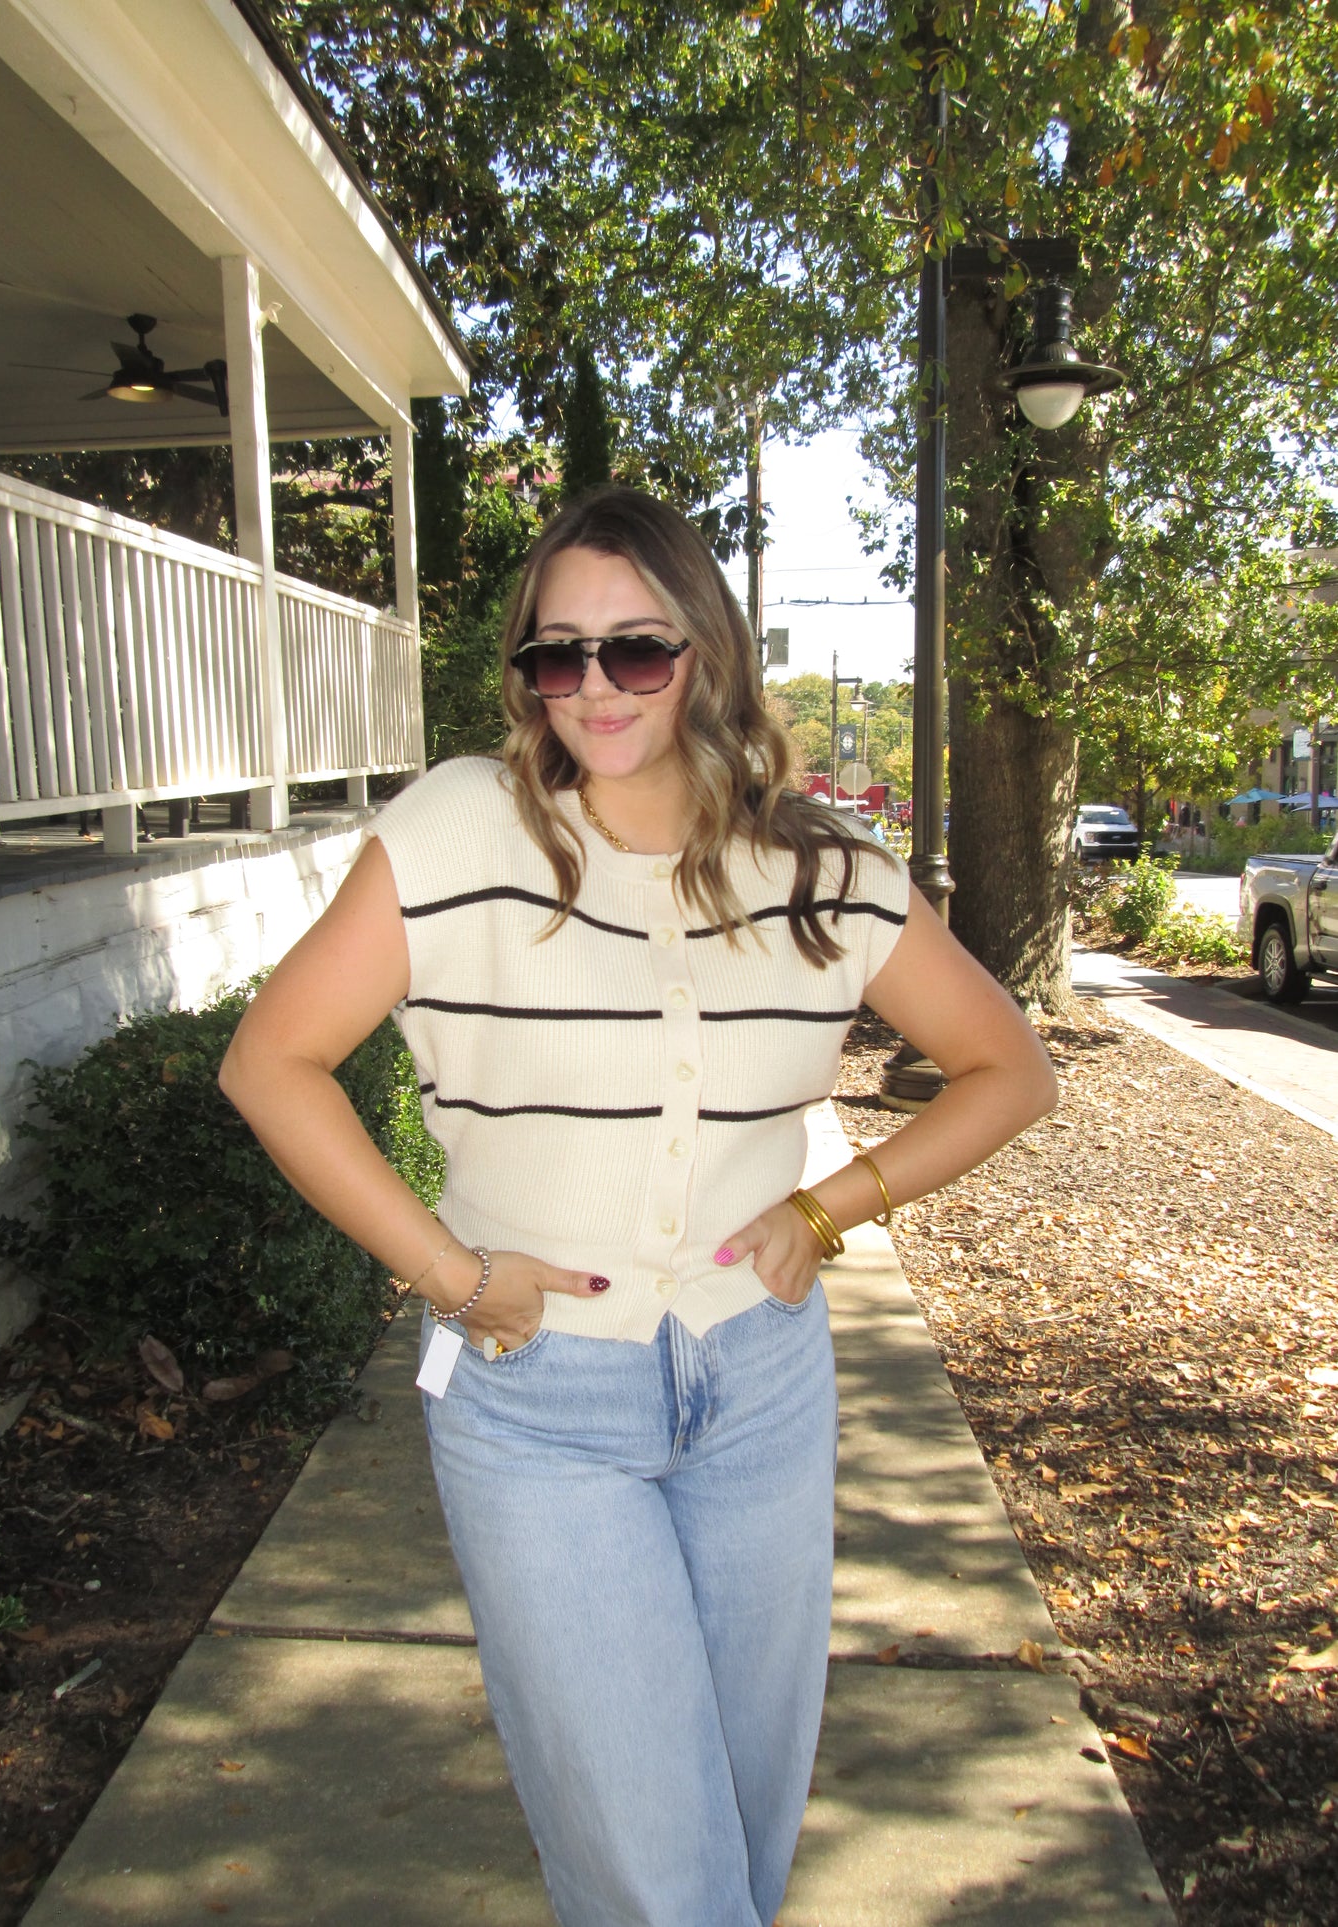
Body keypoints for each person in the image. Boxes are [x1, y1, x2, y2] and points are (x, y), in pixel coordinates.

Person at [219, 486, 1057, 1927]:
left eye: (634, 650)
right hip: (537, 1400)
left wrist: (831, 1205)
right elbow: (270, 1063)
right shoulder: (460, 829)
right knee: (656, 1880)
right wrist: (454, 1274)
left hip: (760, 1387)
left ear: (705, 653)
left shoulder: (824, 875)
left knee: (736, 1830)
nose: (592, 688)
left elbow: (1007, 1070)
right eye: (557, 655)